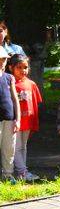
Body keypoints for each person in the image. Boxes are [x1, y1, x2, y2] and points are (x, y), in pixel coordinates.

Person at [9, 54, 42, 181]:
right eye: (19, 67)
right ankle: (22, 172)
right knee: (16, 147)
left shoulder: (31, 84)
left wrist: (34, 121)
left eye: (25, 67)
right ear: (11, 68)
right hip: (15, 121)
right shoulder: (10, 82)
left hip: (27, 121)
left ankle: (21, 171)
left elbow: (35, 103)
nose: (23, 70)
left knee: (23, 146)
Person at [0, 46, 20, 182]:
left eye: (4, 60)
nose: (2, 62)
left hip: (9, 118)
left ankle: (8, 174)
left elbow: (15, 99)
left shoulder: (9, 77)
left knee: (9, 148)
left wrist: (17, 119)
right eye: (0, 59)